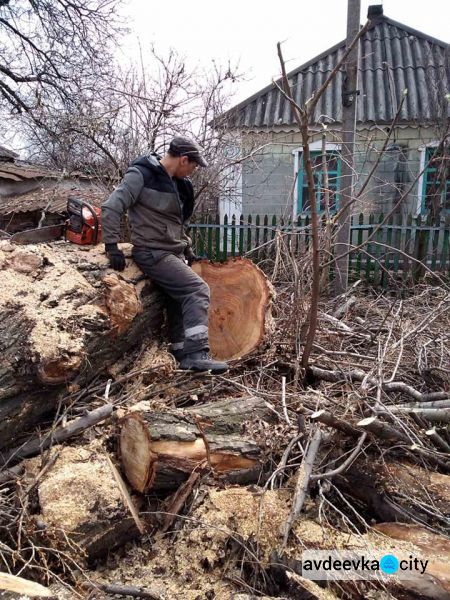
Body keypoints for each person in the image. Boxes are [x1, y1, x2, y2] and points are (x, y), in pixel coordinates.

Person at [101, 136, 228, 374]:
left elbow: (177, 225)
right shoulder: (142, 174)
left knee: (179, 297)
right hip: (152, 252)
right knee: (197, 289)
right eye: (193, 165)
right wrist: (111, 245)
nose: (194, 170)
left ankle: (180, 350)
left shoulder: (181, 184)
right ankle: (197, 353)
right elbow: (111, 206)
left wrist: (188, 251)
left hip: (172, 252)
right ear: (183, 159)